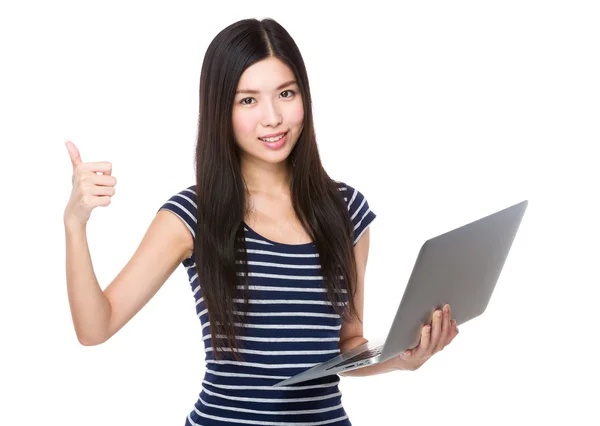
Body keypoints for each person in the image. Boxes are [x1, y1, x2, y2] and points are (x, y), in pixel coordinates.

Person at [63, 17, 459, 426]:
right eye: (247, 100)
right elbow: (96, 327)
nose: (273, 118)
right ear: (221, 110)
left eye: (285, 93)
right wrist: (75, 225)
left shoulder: (346, 210)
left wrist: (401, 360)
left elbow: (347, 345)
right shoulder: (193, 215)